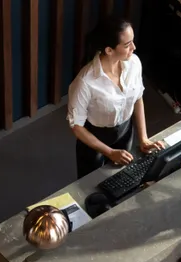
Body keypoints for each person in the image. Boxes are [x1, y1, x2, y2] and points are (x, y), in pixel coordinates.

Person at [67, 16, 163, 178]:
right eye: (127, 44)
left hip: (125, 130)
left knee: (120, 177)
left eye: (132, 41)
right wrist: (110, 152)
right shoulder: (85, 82)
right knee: (90, 185)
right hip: (95, 137)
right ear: (109, 50)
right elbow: (77, 126)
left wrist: (144, 138)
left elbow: (137, 98)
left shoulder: (134, 63)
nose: (134, 47)